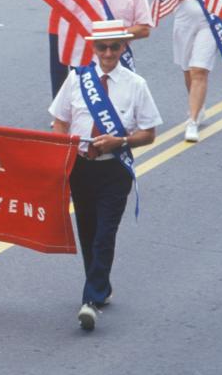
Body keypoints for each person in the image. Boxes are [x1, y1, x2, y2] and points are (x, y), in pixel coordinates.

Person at [49, 19, 162, 331]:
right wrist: (64, 151)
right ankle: (101, 286)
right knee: (87, 230)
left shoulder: (135, 85)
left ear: (124, 47)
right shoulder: (77, 80)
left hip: (114, 170)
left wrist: (121, 141)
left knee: (105, 233)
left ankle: (91, 299)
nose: (109, 52)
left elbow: (149, 133)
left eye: (115, 46)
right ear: (93, 48)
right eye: (103, 47)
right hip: (81, 168)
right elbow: (59, 121)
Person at [171, 0, 222, 143]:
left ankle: (192, 121)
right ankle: (198, 104)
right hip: (184, 17)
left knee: (199, 69)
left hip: (210, 19)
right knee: (187, 69)